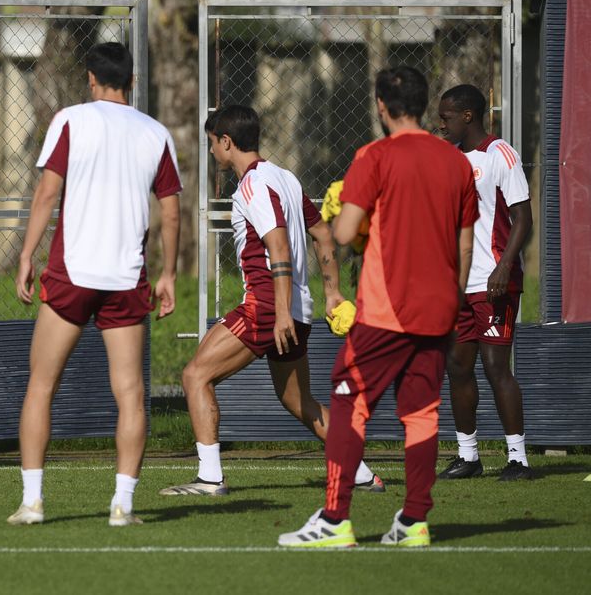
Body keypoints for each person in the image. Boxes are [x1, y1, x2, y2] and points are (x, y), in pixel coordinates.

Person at [279, 67, 477, 548]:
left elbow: (345, 233)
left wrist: (341, 208)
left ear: (382, 107)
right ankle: (414, 522)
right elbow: (465, 243)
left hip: (388, 308)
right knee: (421, 412)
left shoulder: (375, 155)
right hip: (439, 306)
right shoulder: (456, 163)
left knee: (348, 400)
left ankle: (334, 519)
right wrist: (451, 297)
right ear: (426, 105)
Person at [159, 105, 384, 497]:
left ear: (226, 142)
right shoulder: (287, 178)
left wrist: (280, 314)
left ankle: (210, 478)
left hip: (267, 307)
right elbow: (323, 234)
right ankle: (362, 474)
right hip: (298, 311)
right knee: (298, 401)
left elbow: (278, 248)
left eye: (212, 144)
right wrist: (331, 294)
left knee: (195, 375)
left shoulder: (252, 185)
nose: (212, 152)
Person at [7, 42, 181, 527]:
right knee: (129, 394)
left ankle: (33, 503)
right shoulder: (156, 132)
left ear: (90, 78)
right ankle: (122, 507)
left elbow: (47, 191)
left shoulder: (71, 119)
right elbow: (170, 208)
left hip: (73, 273)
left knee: (41, 386)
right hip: (126, 278)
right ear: (132, 80)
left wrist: (25, 255)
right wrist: (167, 274)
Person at [437, 84, 533, 481]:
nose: (441, 125)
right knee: (458, 367)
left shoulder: (500, 155)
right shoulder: (448, 158)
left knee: (496, 367)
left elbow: (523, 218)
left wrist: (504, 267)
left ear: (467, 116)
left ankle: (517, 459)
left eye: (446, 118)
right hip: (458, 285)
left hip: (494, 282)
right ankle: (469, 455)